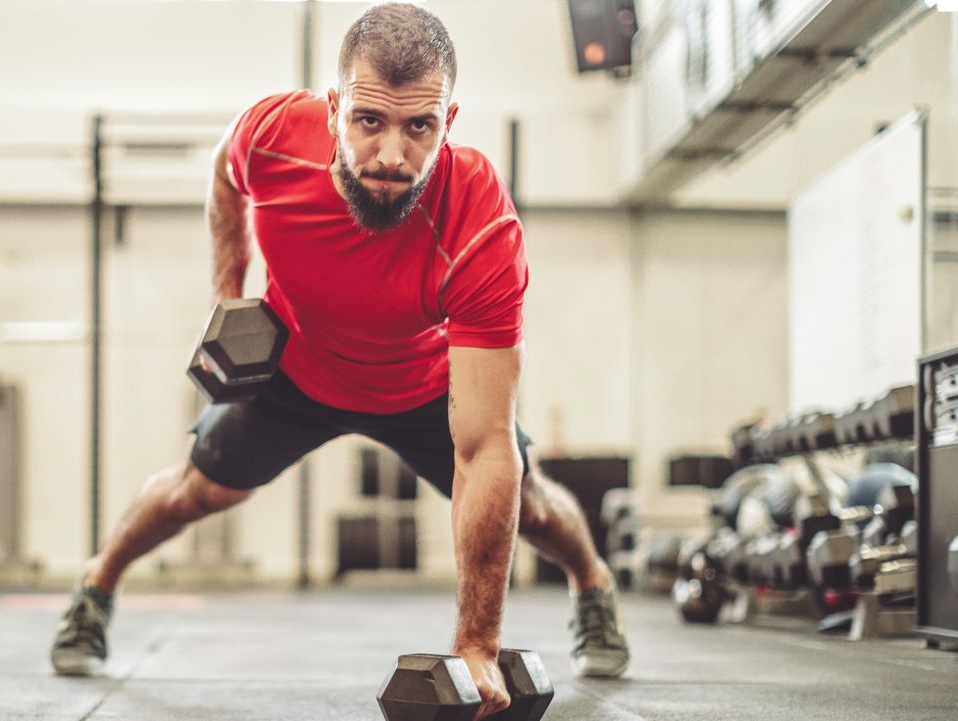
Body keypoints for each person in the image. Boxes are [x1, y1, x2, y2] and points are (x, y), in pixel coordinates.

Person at [52, 2, 629, 716]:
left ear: (449, 120)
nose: (392, 154)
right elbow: (223, 181)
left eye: (420, 126)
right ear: (333, 111)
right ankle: (96, 583)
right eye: (369, 122)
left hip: (422, 385)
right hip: (296, 368)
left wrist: (478, 641)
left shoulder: (480, 222)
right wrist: (228, 298)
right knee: (194, 492)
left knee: (533, 502)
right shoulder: (270, 138)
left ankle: (593, 584)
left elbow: (483, 447)